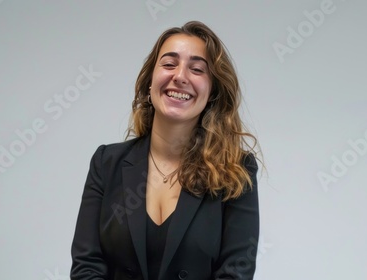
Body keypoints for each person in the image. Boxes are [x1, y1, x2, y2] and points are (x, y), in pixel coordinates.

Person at [71, 21, 261, 280]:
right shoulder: (106, 163)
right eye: (169, 64)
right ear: (150, 81)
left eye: (197, 69)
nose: (180, 76)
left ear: (212, 92)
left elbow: (235, 273)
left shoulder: (237, 170)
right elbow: (87, 267)